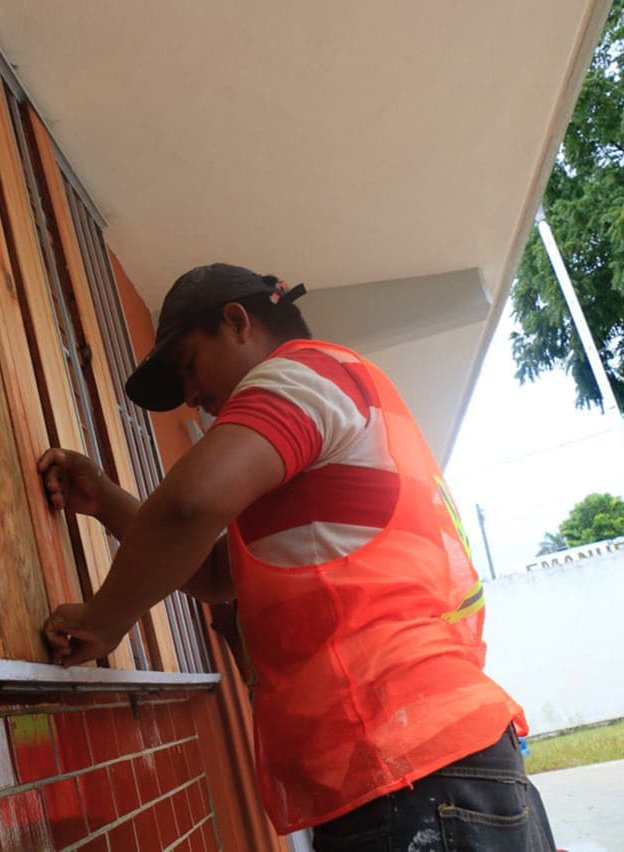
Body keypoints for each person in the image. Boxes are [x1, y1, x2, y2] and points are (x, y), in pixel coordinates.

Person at [39, 264, 555, 850]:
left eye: (189, 365)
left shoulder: (302, 374)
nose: (192, 397)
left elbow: (189, 506)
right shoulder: (340, 412)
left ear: (237, 323)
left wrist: (102, 620)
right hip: (442, 769)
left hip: (408, 770)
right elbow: (215, 574)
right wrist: (106, 501)